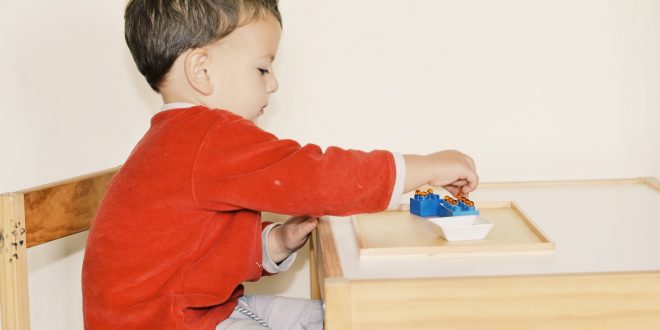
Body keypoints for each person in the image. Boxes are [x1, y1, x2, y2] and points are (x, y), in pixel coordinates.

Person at [81, 1, 479, 329]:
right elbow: (318, 177)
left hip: (205, 312)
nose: (273, 84)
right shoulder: (207, 134)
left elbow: (194, 250)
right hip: (174, 324)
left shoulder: (179, 139)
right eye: (262, 68)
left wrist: (275, 243)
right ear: (202, 71)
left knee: (339, 319)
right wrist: (424, 166)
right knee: (350, 319)